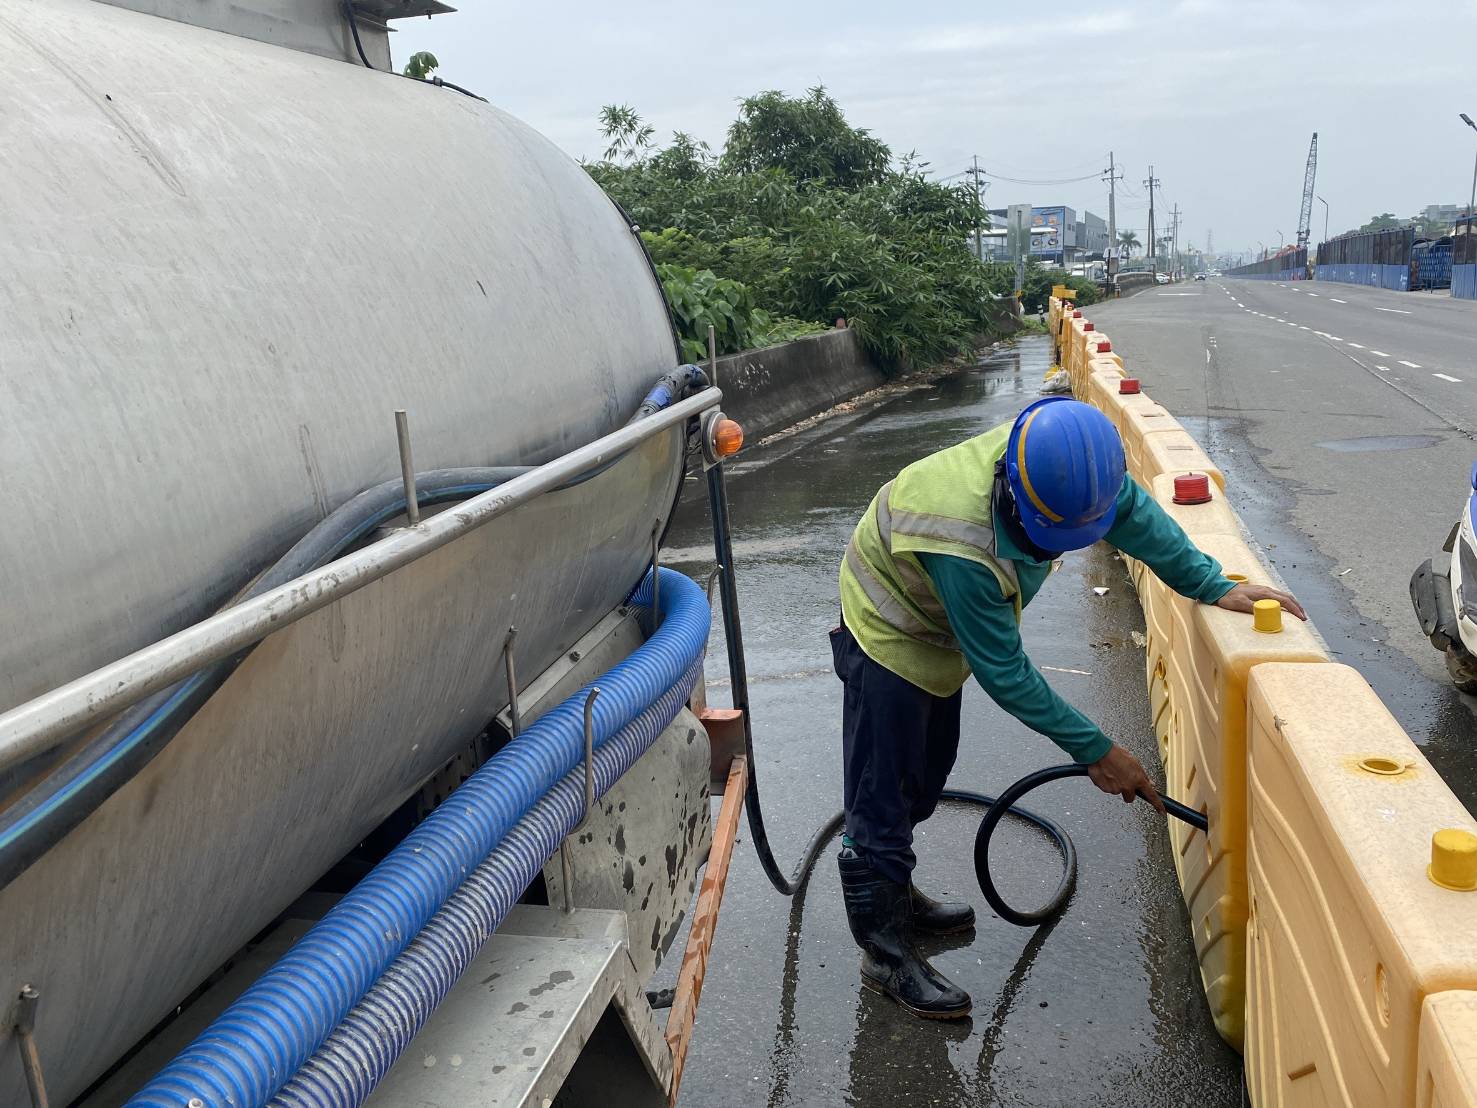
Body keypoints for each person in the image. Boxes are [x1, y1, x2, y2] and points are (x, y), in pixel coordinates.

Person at [830, 396, 1305, 1020]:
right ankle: (884, 954)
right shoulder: (963, 537)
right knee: (882, 793)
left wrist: (1212, 583)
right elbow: (1005, 672)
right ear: (1015, 496)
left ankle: (898, 894)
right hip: (890, 631)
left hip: (943, 634)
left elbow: (1135, 518)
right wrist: (1097, 751)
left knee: (925, 777)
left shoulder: (1070, 469)